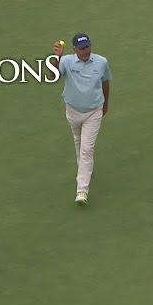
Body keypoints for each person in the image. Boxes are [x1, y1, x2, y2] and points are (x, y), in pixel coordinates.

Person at [50, 33, 112, 205]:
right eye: (82, 48)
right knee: (78, 141)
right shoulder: (67, 61)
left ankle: (82, 190)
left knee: (86, 149)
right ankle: (84, 170)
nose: (86, 51)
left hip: (94, 112)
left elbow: (106, 83)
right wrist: (57, 57)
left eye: (88, 47)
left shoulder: (101, 62)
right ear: (75, 49)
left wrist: (105, 104)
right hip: (72, 111)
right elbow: (52, 76)